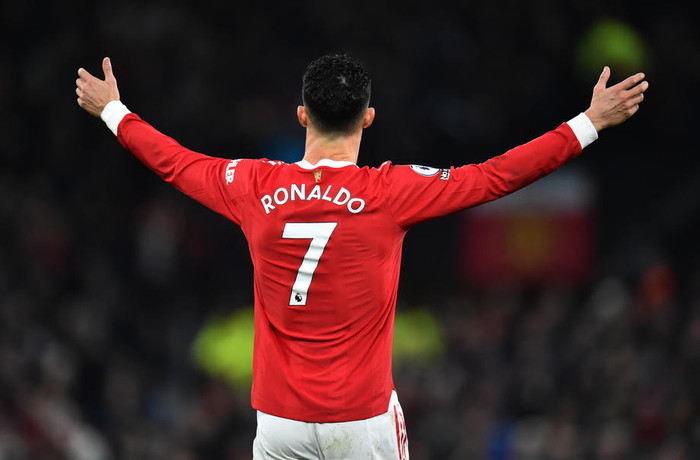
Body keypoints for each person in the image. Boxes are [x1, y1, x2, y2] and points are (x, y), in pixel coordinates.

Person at [76, 53, 648, 459]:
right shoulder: (389, 193)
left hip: (279, 424)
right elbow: (494, 177)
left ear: (302, 114)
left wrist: (113, 110)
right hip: (361, 422)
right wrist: (589, 122)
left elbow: (174, 161)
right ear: (369, 118)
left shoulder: (250, 186)